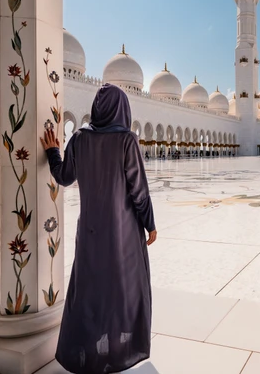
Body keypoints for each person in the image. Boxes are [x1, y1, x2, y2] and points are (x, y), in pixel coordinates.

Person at [41, 83, 157, 373]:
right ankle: (118, 353)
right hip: (124, 234)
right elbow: (139, 191)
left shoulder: (79, 139)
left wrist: (53, 150)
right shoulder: (127, 140)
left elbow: (64, 177)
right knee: (124, 291)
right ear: (122, 109)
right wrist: (150, 223)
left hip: (90, 233)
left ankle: (87, 354)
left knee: (91, 291)